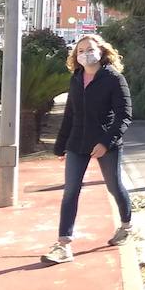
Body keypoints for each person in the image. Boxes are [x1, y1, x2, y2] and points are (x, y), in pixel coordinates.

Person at [43, 34, 135, 265]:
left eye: (90, 49)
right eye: (80, 50)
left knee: (115, 186)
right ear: (76, 56)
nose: (85, 53)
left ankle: (126, 225)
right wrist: (60, 145)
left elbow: (124, 116)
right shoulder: (76, 78)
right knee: (70, 191)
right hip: (77, 143)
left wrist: (106, 143)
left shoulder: (114, 79)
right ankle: (63, 245)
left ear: (101, 51)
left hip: (106, 143)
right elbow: (70, 114)